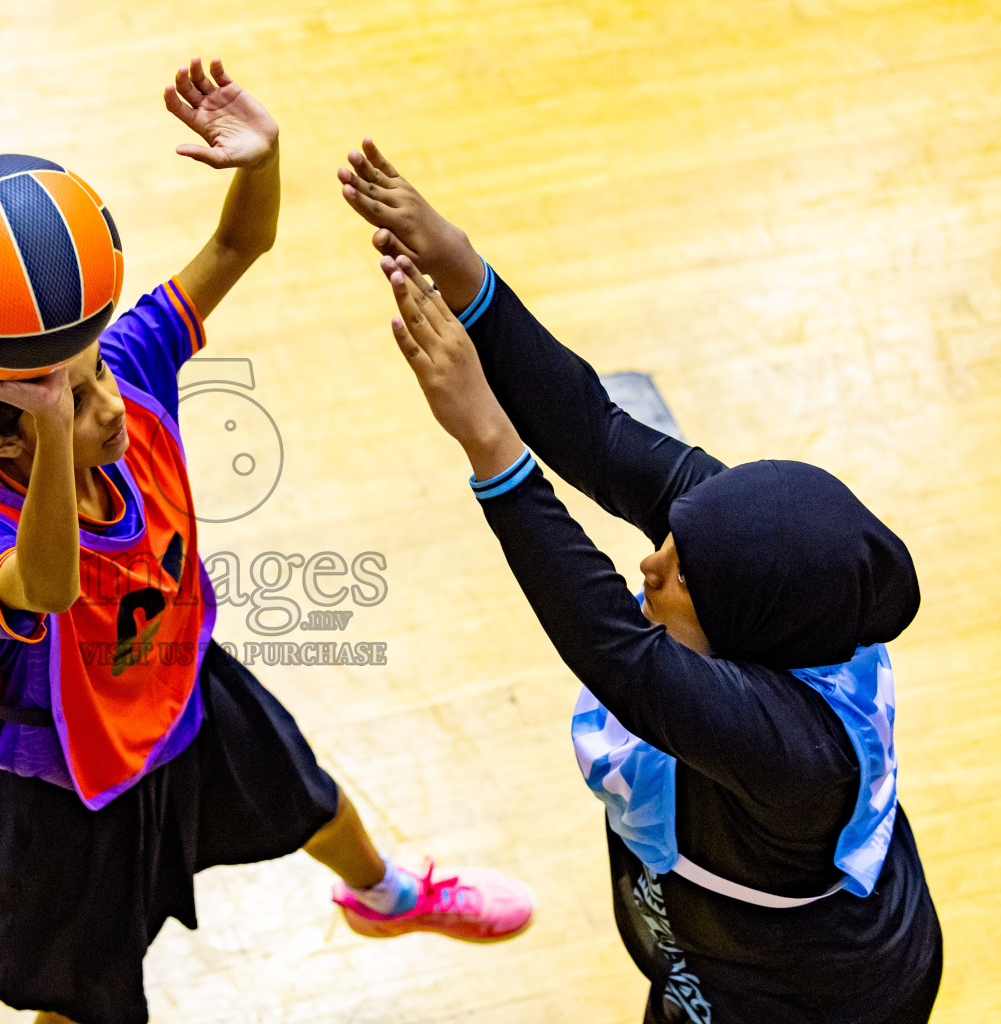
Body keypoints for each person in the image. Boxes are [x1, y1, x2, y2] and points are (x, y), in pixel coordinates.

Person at [0, 66, 535, 1024]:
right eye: (76, 399)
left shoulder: (129, 368)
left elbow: (237, 240)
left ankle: (387, 897)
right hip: (72, 785)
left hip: (179, 684)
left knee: (305, 791)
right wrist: (58, 426)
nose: (113, 408)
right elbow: (48, 586)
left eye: (97, 380)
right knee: (82, 992)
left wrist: (260, 162)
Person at [337, 139, 941, 1023]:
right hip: (710, 939)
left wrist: (491, 448)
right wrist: (462, 268)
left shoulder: (792, 754)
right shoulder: (760, 558)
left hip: (811, 999)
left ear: (745, 631)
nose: (649, 565)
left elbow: (611, 647)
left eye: (677, 578)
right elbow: (599, 433)